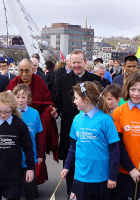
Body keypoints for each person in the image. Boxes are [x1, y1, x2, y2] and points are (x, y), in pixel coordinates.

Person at [54, 49, 109, 197]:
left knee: (90, 160)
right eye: (74, 62)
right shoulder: (61, 81)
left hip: (93, 129)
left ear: (86, 62)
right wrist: (55, 111)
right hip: (70, 128)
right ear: (70, 63)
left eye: (79, 62)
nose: (76, 65)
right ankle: (71, 193)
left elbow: (108, 93)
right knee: (70, 161)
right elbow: (57, 103)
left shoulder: (95, 80)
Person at [61, 81, 120, 200]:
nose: (74, 101)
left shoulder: (106, 120)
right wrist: (67, 166)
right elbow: (73, 147)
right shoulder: (77, 119)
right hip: (80, 176)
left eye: (76, 98)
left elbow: (114, 151)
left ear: (86, 100)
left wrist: (112, 176)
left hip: (101, 177)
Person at [6, 58, 59, 188]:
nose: (23, 74)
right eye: (21, 71)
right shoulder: (13, 82)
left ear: (33, 70)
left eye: (27, 71)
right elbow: (6, 102)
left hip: (36, 119)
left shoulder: (39, 81)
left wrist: (51, 110)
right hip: (16, 121)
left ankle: (33, 184)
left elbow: (47, 101)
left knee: (36, 150)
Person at [13, 84, 43, 200]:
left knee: (29, 186)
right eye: (18, 96)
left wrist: (40, 154)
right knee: (13, 188)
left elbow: (38, 135)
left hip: (29, 157)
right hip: (14, 158)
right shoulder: (11, 113)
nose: (20, 100)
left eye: (23, 97)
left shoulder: (34, 113)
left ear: (28, 98)